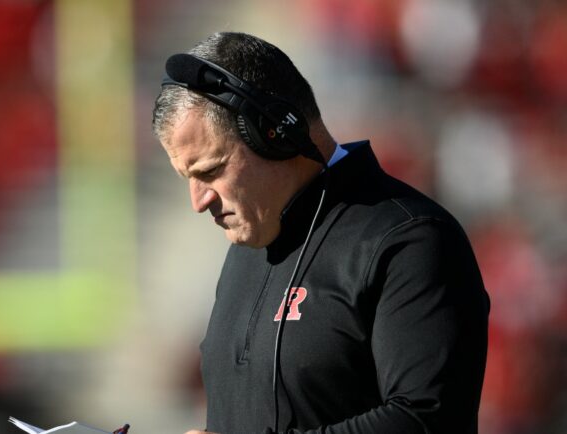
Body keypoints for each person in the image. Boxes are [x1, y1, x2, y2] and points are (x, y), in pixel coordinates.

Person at [151, 32, 490, 434]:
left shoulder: (411, 240)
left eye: (210, 171)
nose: (198, 201)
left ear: (275, 133)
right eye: (187, 177)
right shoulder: (250, 243)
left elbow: (427, 419)